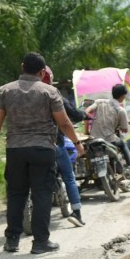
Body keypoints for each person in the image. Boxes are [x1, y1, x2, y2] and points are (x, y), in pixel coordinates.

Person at [0, 52, 85, 254]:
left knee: (15, 194)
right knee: (41, 195)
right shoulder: (49, 92)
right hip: (43, 149)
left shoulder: (5, 90)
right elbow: (64, 122)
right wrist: (77, 143)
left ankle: (12, 240)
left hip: (15, 149)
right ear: (42, 72)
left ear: (22, 67)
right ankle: (40, 242)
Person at [43, 66, 86, 227]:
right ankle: (77, 213)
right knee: (69, 176)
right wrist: (78, 143)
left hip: (24, 144)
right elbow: (69, 118)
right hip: (54, 143)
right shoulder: (54, 93)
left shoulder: (20, 91)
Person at [85, 83, 130, 175]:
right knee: (122, 144)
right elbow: (125, 130)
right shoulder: (121, 110)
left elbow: (86, 111)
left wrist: (86, 131)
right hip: (109, 140)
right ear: (123, 96)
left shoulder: (99, 102)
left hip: (93, 139)